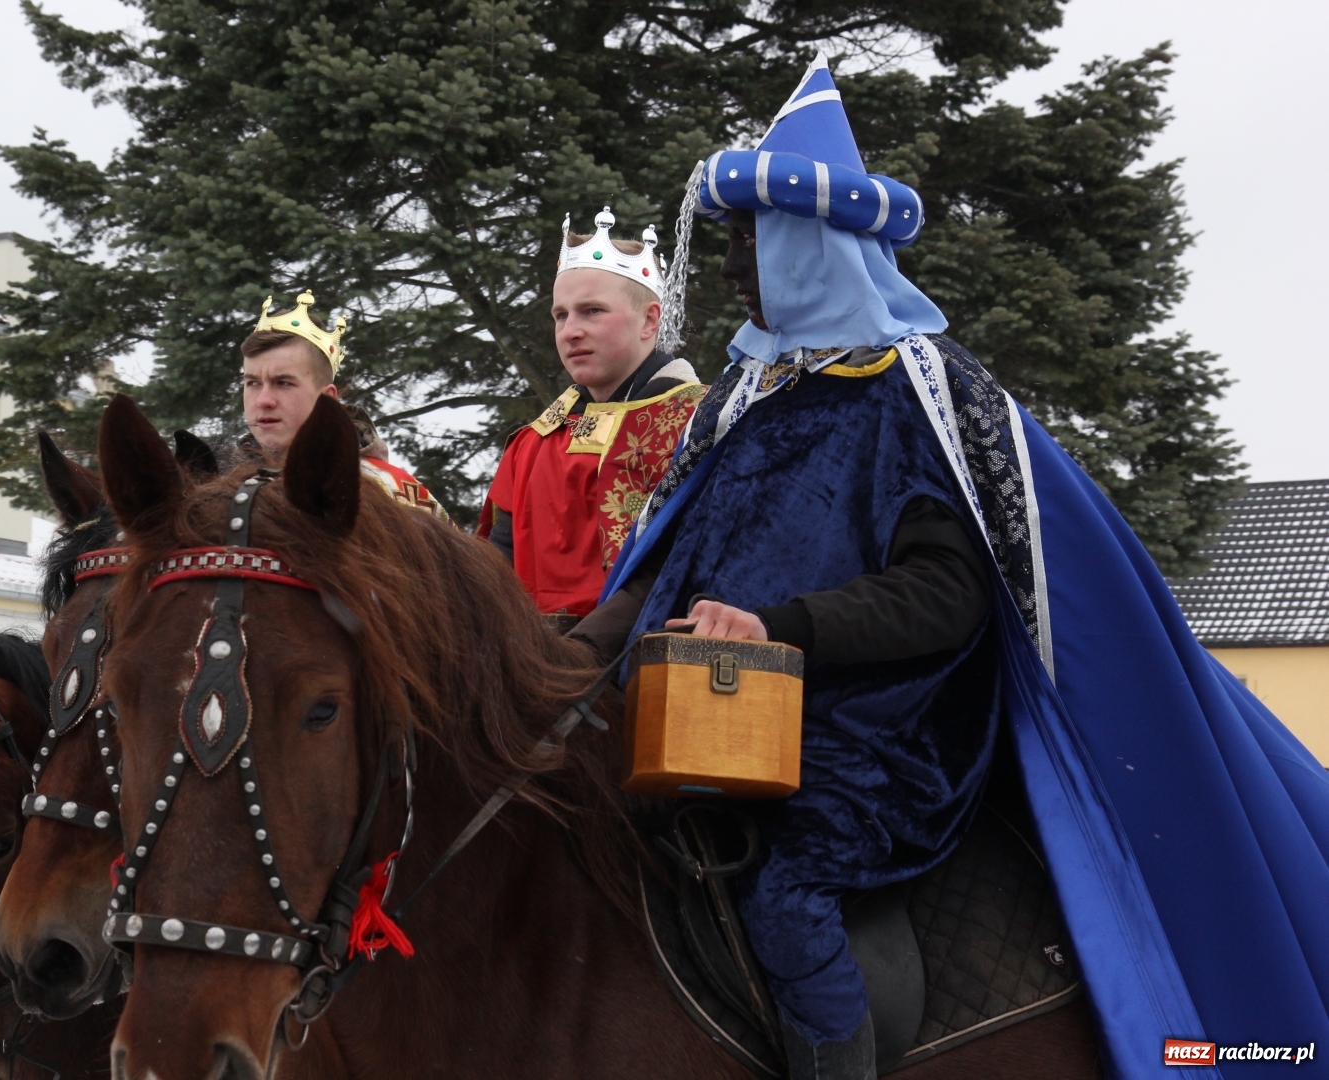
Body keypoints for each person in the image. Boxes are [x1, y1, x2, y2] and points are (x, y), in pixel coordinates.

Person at [588, 53, 1329, 1080]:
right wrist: (555, 653)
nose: (726, 273)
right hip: (707, 711)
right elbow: (663, 573)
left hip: (871, 732)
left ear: (806, 246)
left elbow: (948, 596)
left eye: (747, 244)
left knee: (785, 888)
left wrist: (781, 628)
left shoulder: (923, 396)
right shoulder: (741, 398)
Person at [477, 209, 703, 622]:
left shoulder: (701, 424)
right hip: (529, 665)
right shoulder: (532, 442)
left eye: (592, 311)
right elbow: (496, 568)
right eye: (560, 315)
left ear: (649, 320)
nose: (570, 331)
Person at [242, 291, 444, 517]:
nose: (263, 400)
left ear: (327, 399)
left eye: (283, 383)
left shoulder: (393, 495)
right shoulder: (219, 491)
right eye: (252, 383)